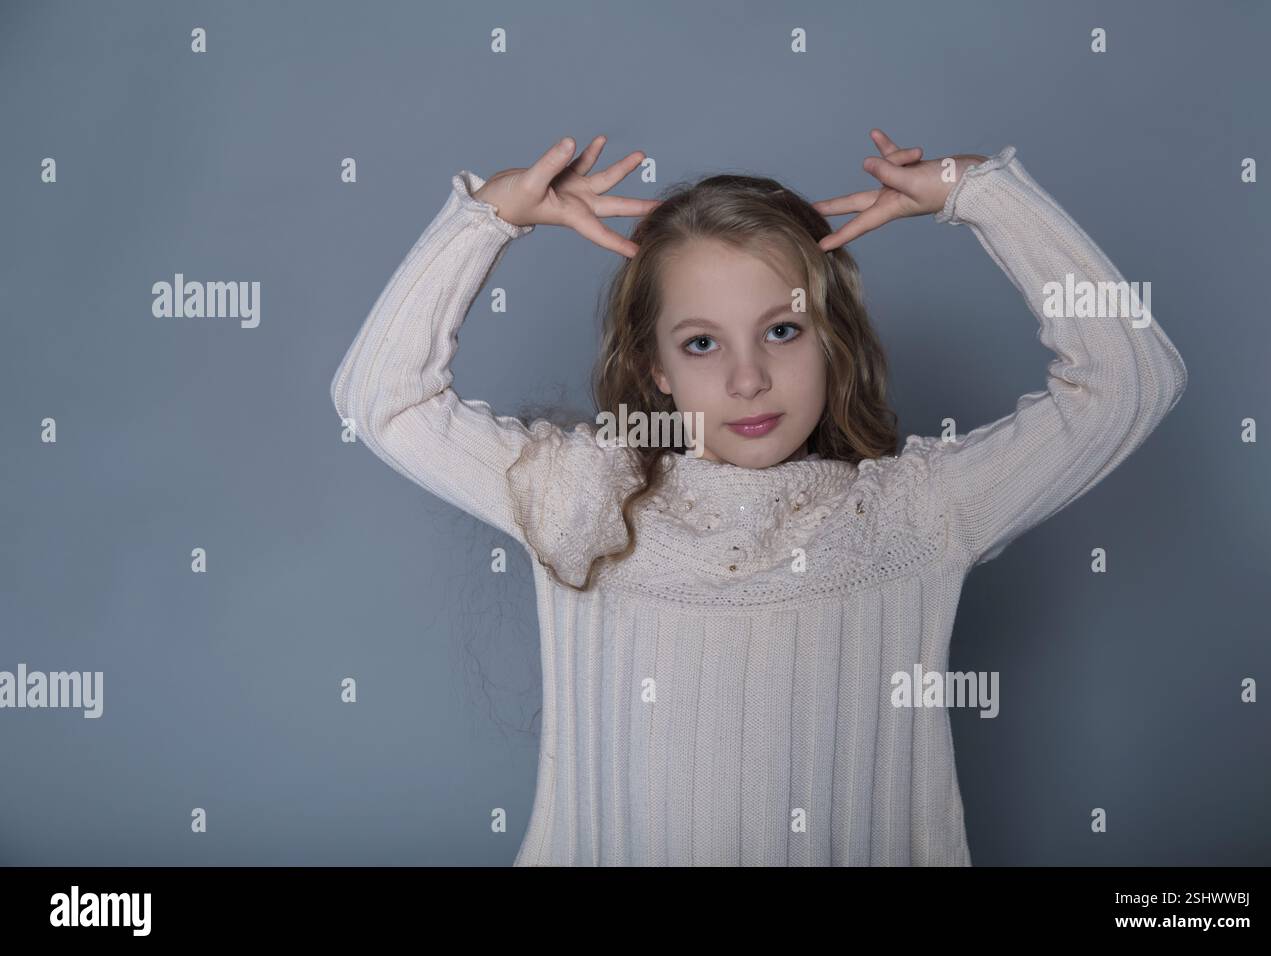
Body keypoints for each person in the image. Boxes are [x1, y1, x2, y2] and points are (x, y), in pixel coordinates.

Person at [329, 130, 1188, 865]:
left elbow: (1130, 382)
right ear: (656, 369)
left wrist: (982, 194)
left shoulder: (916, 513)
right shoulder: (582, 498)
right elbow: (382, 400)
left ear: (831, 340)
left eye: (782, 331)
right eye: (702, 343)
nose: (748, 378)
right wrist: (490, 219)